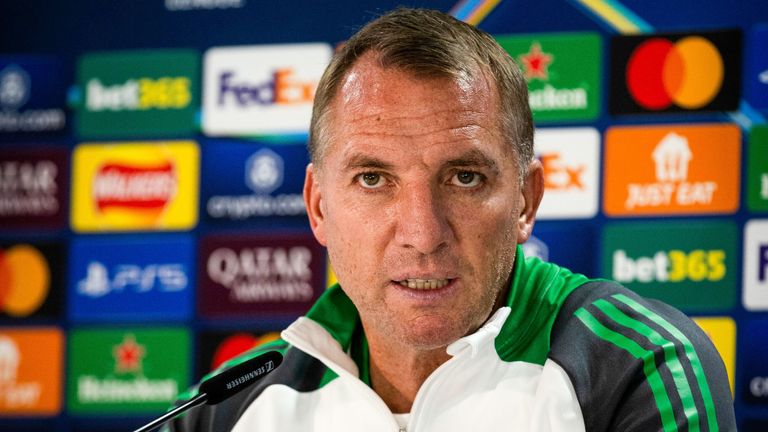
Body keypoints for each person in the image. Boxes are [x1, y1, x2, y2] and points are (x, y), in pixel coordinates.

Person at [167, 8, 736, 432]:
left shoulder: (639, 365)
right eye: (373, 179)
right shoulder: (226, 407)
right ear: (318, 206)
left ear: (525, 200)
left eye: (464, 178)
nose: (422, 233)